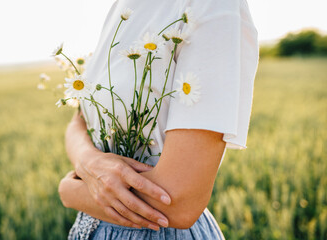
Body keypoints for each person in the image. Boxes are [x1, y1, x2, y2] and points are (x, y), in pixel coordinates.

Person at [58, 0, 259, 239]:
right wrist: (88, 161)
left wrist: (69, 191)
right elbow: (78, 118)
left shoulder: (210, 4)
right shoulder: (121, 6)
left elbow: (178, 202)